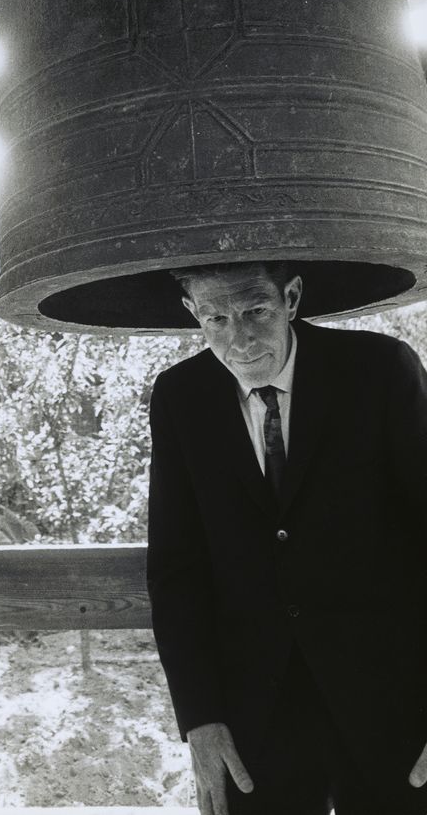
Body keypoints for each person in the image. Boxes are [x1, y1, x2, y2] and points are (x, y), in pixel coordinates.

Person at [146, 260, 427, 815]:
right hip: (253, 717)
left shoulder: (382, 369)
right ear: (192, 314)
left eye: (256, 311)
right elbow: (177, 567)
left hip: (394, 702)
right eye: (216, 319)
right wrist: (200, 718)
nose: (240, 339)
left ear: (292, 297)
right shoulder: (181, 396)